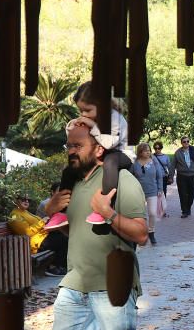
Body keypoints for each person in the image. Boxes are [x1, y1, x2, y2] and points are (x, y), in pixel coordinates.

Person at [8, 121, 148, 330]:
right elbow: (78, 232)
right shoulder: (75, 185)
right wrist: (54, 214)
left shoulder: (122, 181)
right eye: (68, 145)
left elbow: (141, 233)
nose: (71, 151)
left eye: (77, 145)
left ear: (99, 148)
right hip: (75, 284)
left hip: (113, 283)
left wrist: (108, 214)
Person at [45, 82, 132, 231]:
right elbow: (77, 138)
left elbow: (109, 143)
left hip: (120, 154)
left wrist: (92, 125)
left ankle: (105, 204)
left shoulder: (115, 118)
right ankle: (62, 213)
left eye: (87, 110)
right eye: (80, 111)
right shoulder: (92, 118)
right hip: (101, 152)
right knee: (69, 169)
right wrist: (74, 125)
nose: (83, 114)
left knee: (110, 162)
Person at [8, 195, 67, 276]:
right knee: (61, 239)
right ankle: (55, 267)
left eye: (28, 200)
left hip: (40, 238)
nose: (26, 201)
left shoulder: (24, 212)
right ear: (16, 201)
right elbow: (26, 233)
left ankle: (60, 266)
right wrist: (42, 222)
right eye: (23, 199)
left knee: (62, 234)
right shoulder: (15, 216)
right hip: (33, 244)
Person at [129, 143, 164, 246]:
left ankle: (151, 232)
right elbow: (129, 176)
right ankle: (141, 233)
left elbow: (159, 176)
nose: (148, 152)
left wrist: (160, 188)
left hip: (152, 191)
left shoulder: (154, 161)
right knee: (140, 215)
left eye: (149, 150)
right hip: (139, 192)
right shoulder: (135, 164)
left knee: (152, 213)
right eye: (145, 151)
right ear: (140, 152)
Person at [170, 136, 194, 218]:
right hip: (182, 176)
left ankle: (188, 208)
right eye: (184, 142)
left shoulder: (193, 150)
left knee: (191, 193)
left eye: (187, 141)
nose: (186, 143)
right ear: (181, 143)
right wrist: (171, 176)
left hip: (193, 175)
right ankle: (184, 211)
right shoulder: (178, 153)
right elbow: (173, 165)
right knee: (182, 193)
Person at [152, 142, 171, 218]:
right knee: (155, 194)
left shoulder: (165, 157)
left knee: (163, 193)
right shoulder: (152, 157)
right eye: (155, 148)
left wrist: (170, 177)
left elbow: (169, 167)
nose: (157, 150)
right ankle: (156, 210)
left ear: (161, 148)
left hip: (163, 177)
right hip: (154, 178)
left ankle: (163, 210)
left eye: (158, 148)